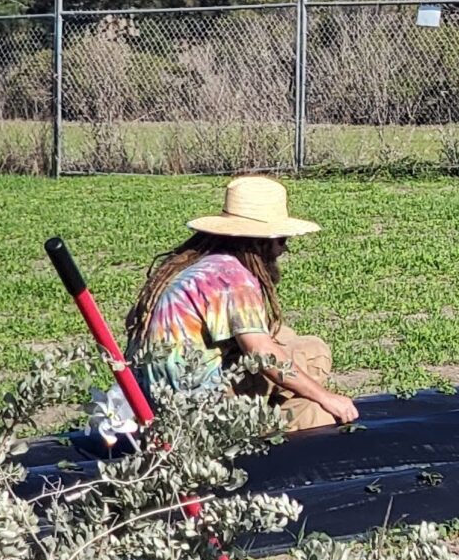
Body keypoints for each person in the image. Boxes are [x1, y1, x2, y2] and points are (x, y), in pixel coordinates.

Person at [127, 175, 359, 433]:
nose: (284, 250)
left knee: (285, 335)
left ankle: (275, 401)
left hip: (153, 397)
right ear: (260, 240)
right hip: (199, 410)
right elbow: (261, 352)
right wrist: (326, 398)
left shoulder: (190, 266)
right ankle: (267, 425)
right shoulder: (233, 277)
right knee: (316, 365)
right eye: (281, 240)